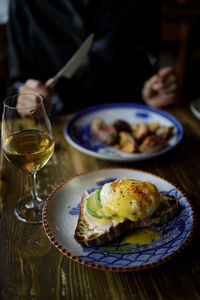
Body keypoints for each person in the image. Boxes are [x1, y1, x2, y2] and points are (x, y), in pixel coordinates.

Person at [7, 0, 179, 115]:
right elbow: (19, 82)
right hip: (56, 125)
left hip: (128, 117)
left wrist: (150, 91)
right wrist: (27, 99)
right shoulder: (24, 3)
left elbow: (146, 62)